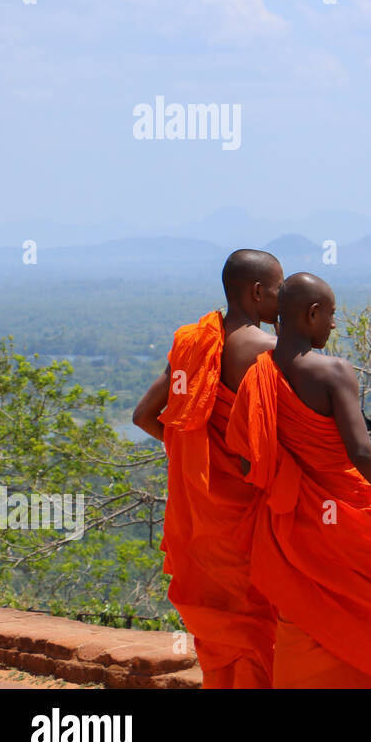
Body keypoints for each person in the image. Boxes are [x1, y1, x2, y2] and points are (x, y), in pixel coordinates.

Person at [227, 272, 371, 688]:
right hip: (346, 520)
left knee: (306, 613)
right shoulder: (333, 371)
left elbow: (246, 462)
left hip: (295, 527)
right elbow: (361, 451)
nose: (333, 325)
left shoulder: (258, 376)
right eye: (330, 315)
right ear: (312, 315)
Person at [132, 248, 283, 688]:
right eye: (279, 289)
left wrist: (196, 453)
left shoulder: (197, 342)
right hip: (249, 517)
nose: (284, 298)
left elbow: (145, 415)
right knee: (262, 625)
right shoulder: (269, 350)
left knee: (227, 629)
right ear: (258, 292)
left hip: (204, 518)